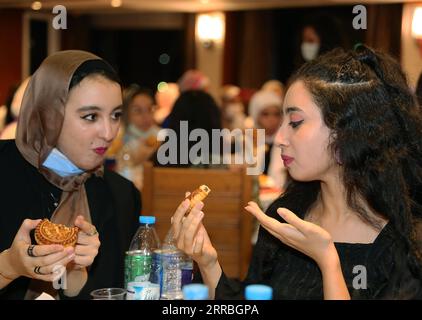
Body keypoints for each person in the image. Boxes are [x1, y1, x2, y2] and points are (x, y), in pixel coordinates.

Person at [171, 45, 422, 299]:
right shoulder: (287, 214)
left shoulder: (405, 242)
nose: (280, 137)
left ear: (346, 133)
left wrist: (328, 261)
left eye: (295, 122)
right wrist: (208, 261)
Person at [0, 50, 141, 299]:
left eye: (116, 115)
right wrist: (9, 266)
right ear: (48, 113)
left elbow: (119, 290)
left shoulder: (121, 195)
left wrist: (77, 273)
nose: (108, 133)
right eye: (90, 116)